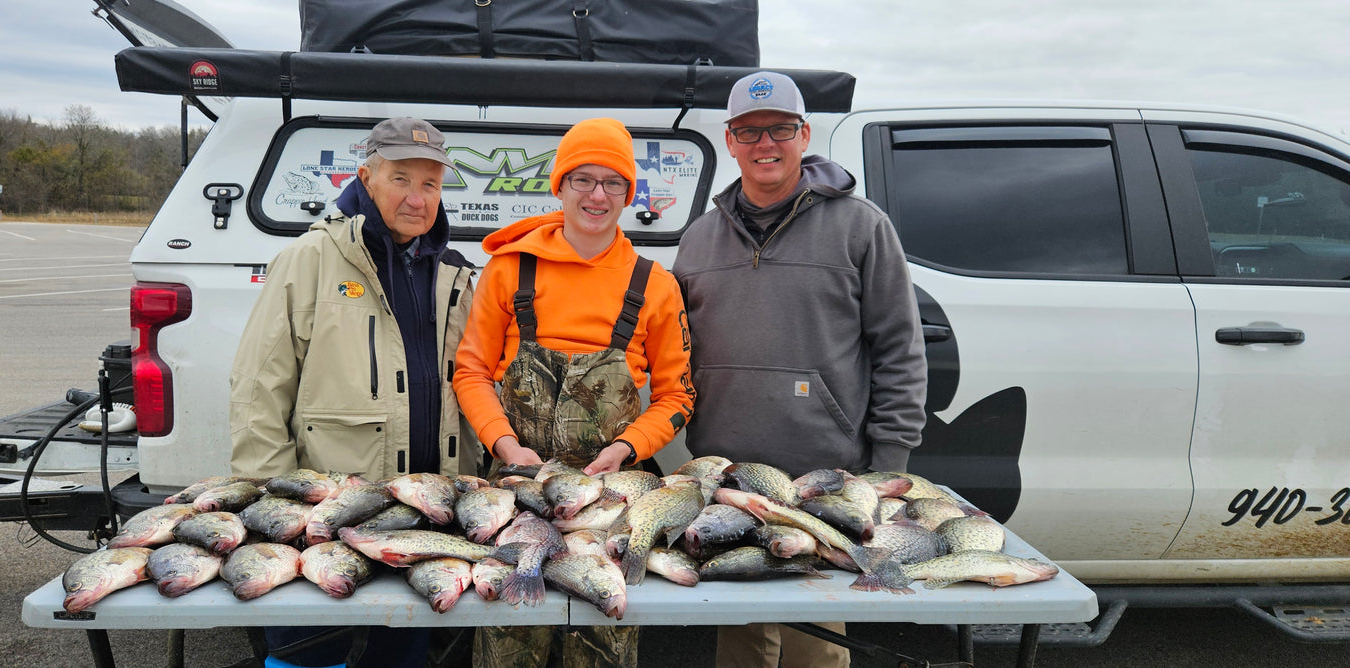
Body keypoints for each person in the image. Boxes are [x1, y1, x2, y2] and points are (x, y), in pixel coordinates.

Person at [673, 71, 928, 668]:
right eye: (750, 131)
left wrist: (888, 464)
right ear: (731, 141)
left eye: (781, 129)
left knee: (816, 634)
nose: (766, 144)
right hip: (728, 476)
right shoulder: (698, 239)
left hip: (826, 472)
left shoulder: (861, 226)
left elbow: (899, 348)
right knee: (740, 624)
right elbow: (677, 352)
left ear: (804, 134)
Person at [229, 117, 479, 668]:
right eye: (401, 179)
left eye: (431, 184)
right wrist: (273, 498)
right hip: (327, 512)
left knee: (403, 649)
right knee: (309, 650)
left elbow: (472, 382)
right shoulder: (311, 259)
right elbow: (258, 387)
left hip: (420, 514)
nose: (417, 198)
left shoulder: (456, 273)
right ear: (365, 177)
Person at [453, 117, 695, 667]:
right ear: (558, 185)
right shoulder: (509, 268)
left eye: (613, 182)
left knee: (602, 644)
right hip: (514, 494)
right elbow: (470, 372)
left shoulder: (655, 284)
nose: (597, 194)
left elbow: (677, 398)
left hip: (610, 501)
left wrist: (627, 450)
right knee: (509, 639)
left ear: (629, 194)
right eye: (582, 178)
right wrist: (505, 448)